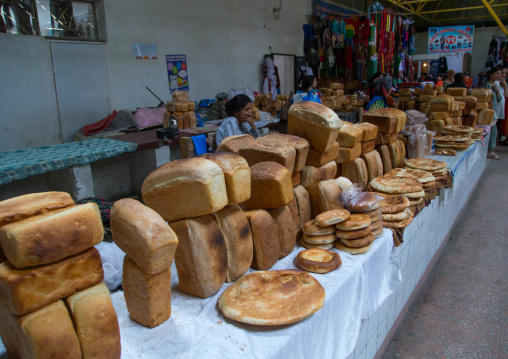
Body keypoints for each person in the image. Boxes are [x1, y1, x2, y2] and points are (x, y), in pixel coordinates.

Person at [482, 67, 503, 159]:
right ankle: (490, 150)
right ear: (491, 74)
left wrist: (497, 90)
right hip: (489, 111)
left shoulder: (495, 85)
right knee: (493, 129)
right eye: (497, 73)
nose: (498, 75)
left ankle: (490, 149)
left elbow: (499, 99)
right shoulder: (487, 85)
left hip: (494, 110)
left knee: (493, 130)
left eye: (499, 74)